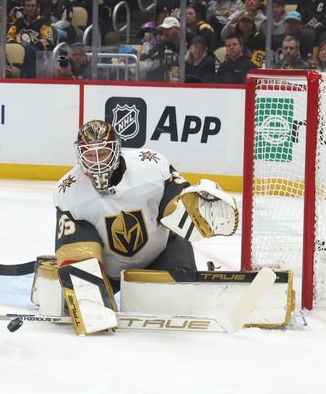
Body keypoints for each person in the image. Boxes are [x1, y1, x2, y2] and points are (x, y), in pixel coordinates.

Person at [52, 120, 234, 292]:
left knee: (181, 299)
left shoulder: (151, 164)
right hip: (108, 273)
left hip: (162, 254)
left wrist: (194, 208)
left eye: (103, 153)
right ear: (80, 155)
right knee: (84, 292)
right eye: (90, 154)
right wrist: (85, 291)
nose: (98, 161)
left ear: (116, 149)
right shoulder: (68, 191)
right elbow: (77, 248)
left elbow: (176, 203)